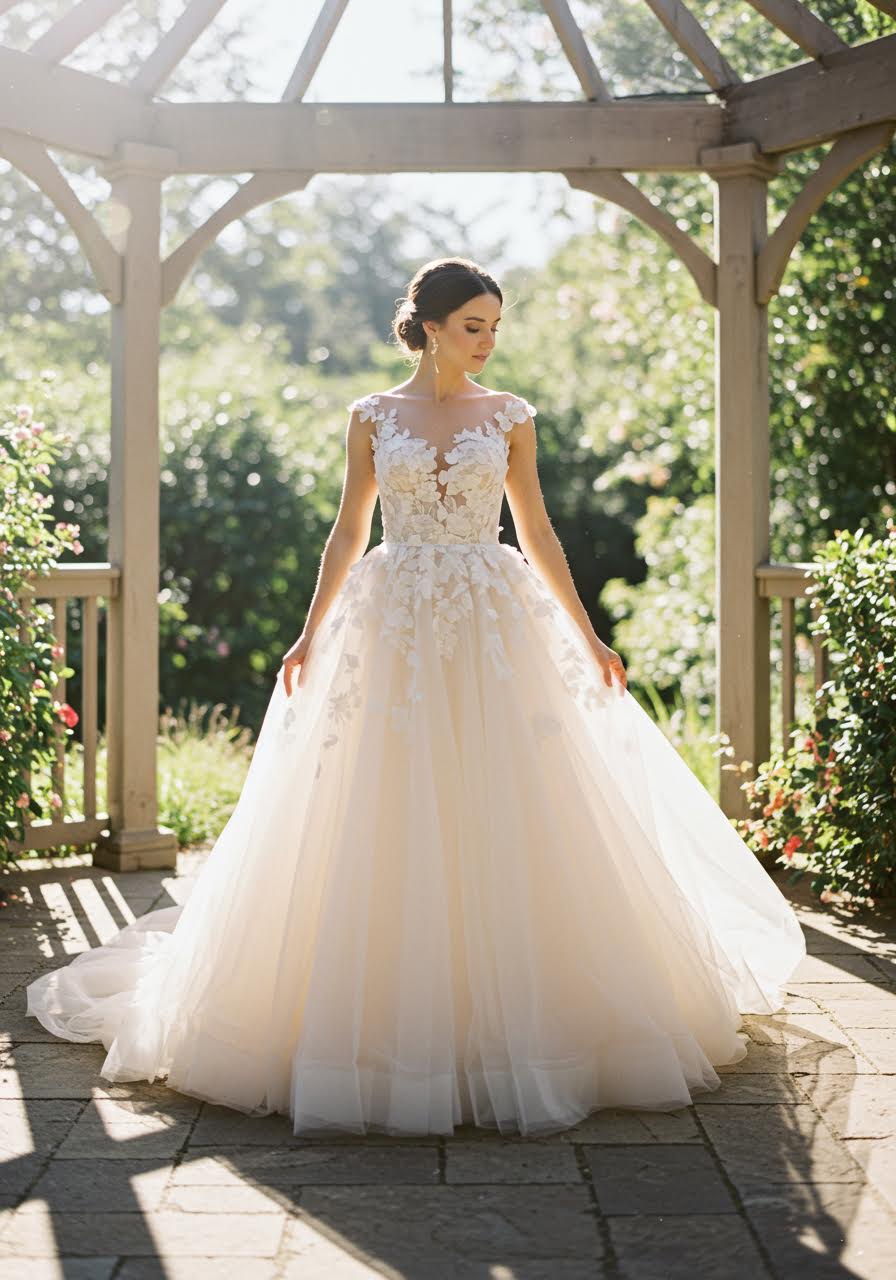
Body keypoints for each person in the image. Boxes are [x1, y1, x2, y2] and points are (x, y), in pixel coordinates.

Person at [26, 256, 806, 1137]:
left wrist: (586, 633)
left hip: (490, 618)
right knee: (380, 801)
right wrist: (310, 632)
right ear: (430, 325)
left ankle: (530, 1020)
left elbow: (537, 528)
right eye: (474, 324)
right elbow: (349, 529)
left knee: (510, 798)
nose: (488, 340)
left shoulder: (510, 416)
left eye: (495, 326)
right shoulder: (371, 416)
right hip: (390, 620)